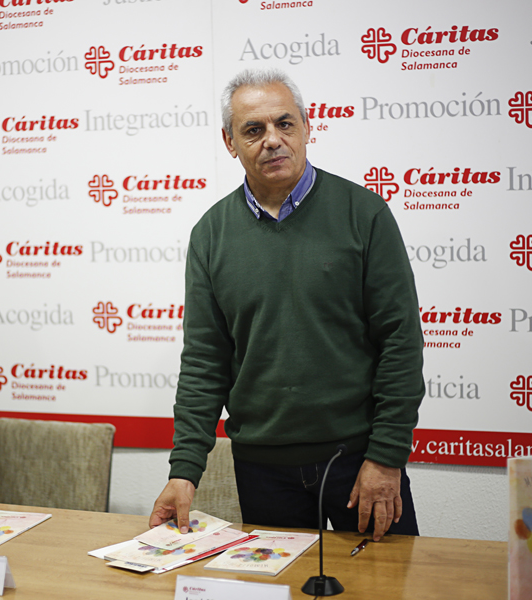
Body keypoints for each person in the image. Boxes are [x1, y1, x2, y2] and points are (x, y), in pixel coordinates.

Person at [149, 69, 424, 542]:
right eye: (253, 130)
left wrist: (386, 456)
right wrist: (185, 470)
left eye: (285, 124)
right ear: (230, 142)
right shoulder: (210, 235)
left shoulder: (364, 214)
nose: (272, 140)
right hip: (262, 470)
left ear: (307, 127)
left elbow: (400, 344)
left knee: (388, 589)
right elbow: (204, 363)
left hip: (361, 463)